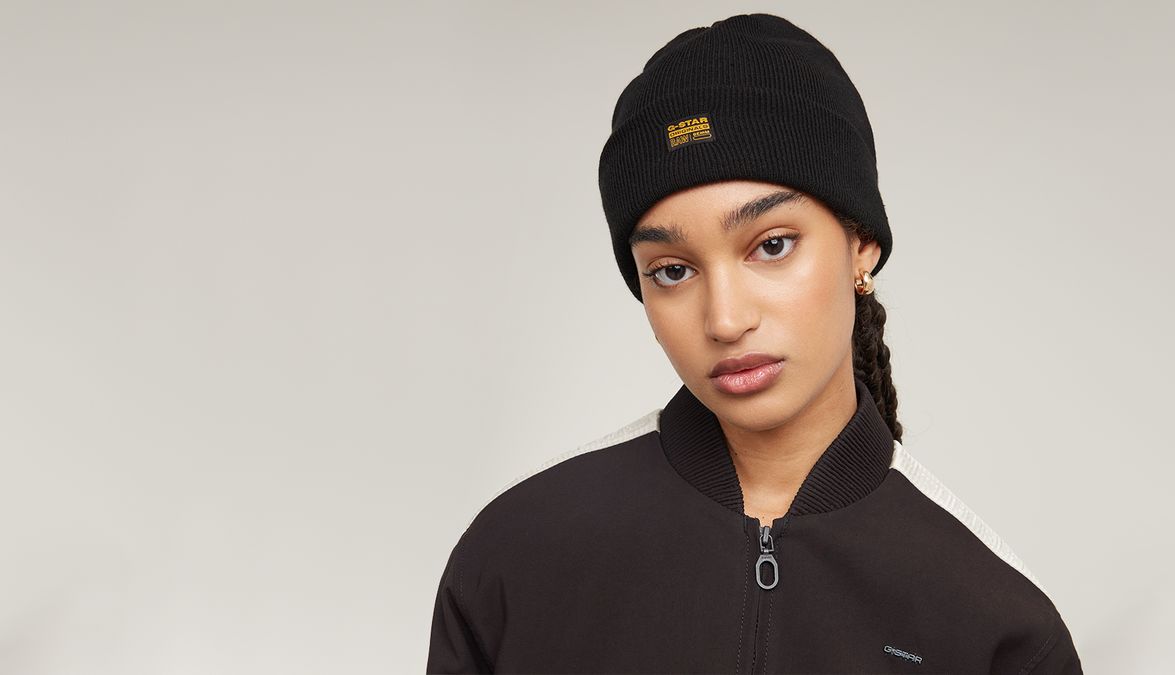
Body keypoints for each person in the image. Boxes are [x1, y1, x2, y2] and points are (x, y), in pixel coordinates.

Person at [426, 13, 1083, 674]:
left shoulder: (996, 621)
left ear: (861, 243)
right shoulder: (516, 554)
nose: (725, 319)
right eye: (672, 271)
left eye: (772, 246)